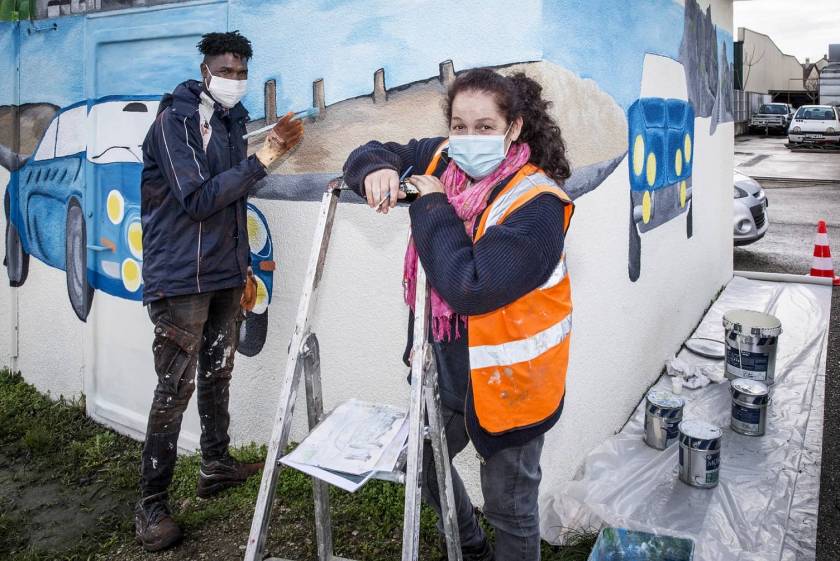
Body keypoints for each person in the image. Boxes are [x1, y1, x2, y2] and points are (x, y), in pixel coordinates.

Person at [342, 68, 574, 561]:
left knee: (511, 511)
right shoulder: (442, 158)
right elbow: (371, 151)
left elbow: (471, 286)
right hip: (444, 372)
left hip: (510, 388)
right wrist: (377, 169)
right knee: (423, 464)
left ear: (513, 129)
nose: (468, 138)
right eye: (459, 124)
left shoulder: (538, 205)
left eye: (485, 127)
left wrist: (430, 204)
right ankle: (471, 548)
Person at [134, 30, 303, 552]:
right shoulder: (175, 122)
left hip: (225, 274)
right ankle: (151, 504)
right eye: (225, 70)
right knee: (174, 388)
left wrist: (243, 265)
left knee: (218, 369)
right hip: (180, 277)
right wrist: (266, 156)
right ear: (205, 70)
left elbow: (233, 203)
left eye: (240, 71)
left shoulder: (231, 121)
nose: (234, 79)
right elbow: (199, 198)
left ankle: (216, 464)